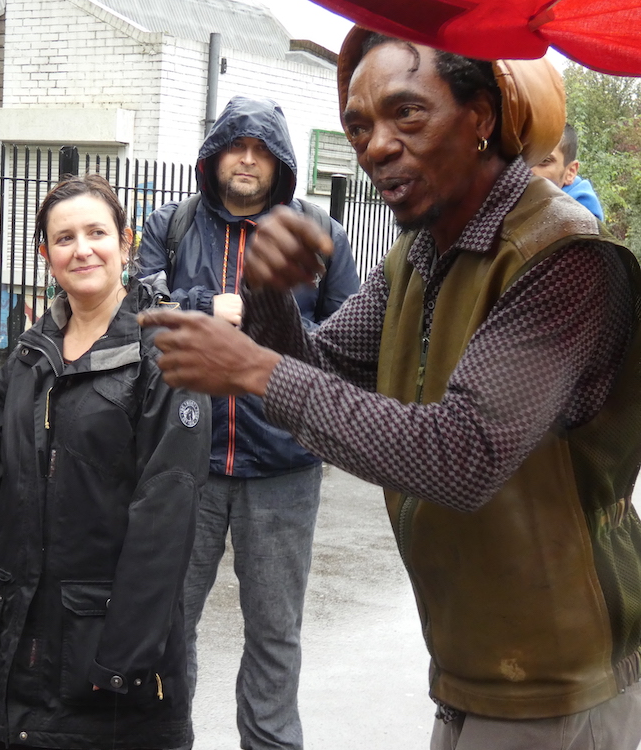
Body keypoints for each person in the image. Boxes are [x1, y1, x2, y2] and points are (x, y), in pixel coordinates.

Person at [139, 27, 641, 750]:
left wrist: (250, 365)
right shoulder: (420, 253)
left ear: (481, 117)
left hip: (560, 678)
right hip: (473, 662)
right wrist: (271, 296)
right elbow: (324, 369)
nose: (376, 145)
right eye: (358, 125)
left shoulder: (567, 261)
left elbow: (461, 455)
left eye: (407, 112)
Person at [0, 174, 211, 750]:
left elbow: (166, 515)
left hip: (110, 667)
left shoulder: (168, 354)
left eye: (97, 232)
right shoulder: (26, 358)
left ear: (126, 242)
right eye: (64, 238)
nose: (82, 248)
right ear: (45, 255)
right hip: (16, 654)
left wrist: (123, 656)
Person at [137, 95, 359, 750]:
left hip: (284, 469)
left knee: (275, 632)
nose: (247, 158)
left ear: (282, 162)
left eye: (263, 149)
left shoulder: (321, 236)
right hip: (184, 464)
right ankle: (165, 737)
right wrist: (217, 306)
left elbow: (347, 348)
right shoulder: (169, 227)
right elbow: (140, 322)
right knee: (170, 625)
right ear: (213, 155)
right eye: (236, 145)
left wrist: (264, 324)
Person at [532, 122, 605, 221]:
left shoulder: (580, 226)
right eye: (521, 159)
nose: (528, 171)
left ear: (570, 172)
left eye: (545, 161)